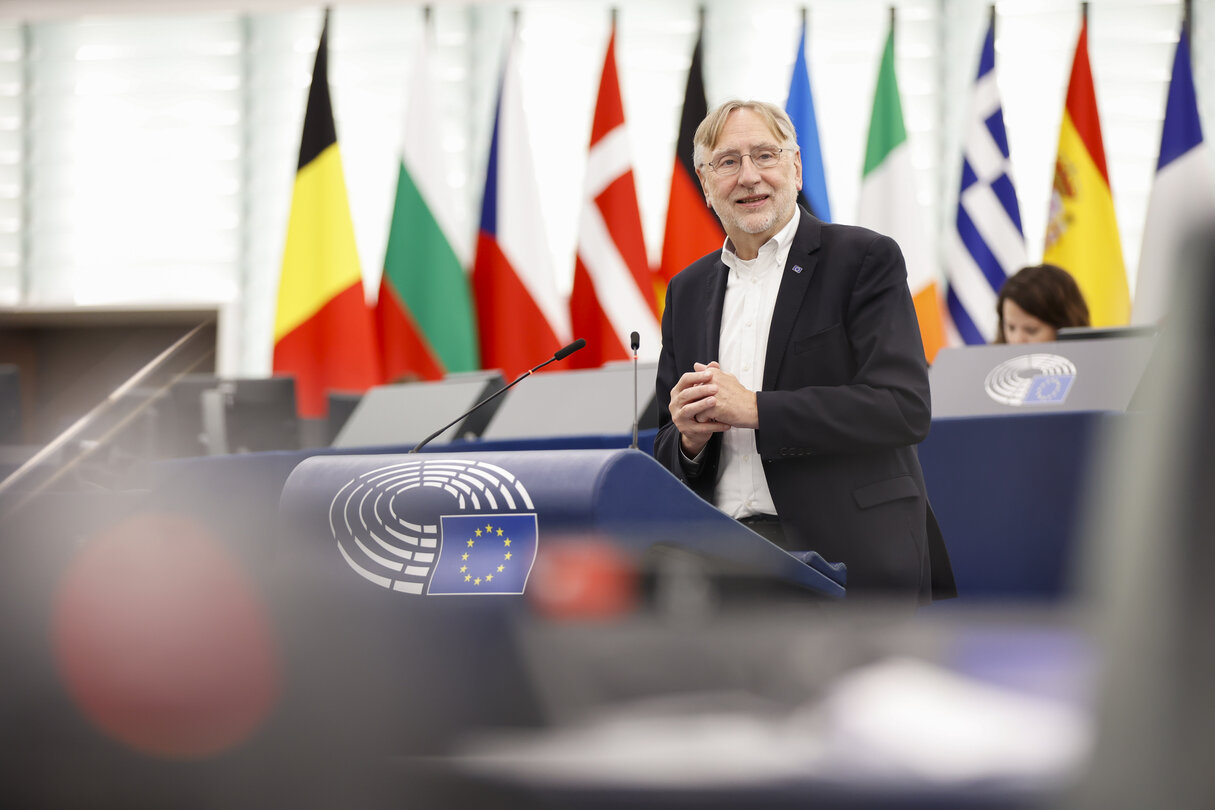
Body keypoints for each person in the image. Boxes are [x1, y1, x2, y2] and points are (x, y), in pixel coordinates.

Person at [653, 99, 955, 604]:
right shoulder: (686, 290)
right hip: (722, 564)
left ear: (795, 168)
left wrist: (755, 409)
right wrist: (688, 441)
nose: (749, 176)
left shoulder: (862, 259)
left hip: (844, 557)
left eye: (765, 155)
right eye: (728, 162)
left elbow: (902, 408)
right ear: (705, 185)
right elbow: (663, 435)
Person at [994, 263, 1090, 344]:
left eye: (1031, 330)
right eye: (1011, 328)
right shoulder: (986, 363)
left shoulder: (1098, 363)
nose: (1017, 341)